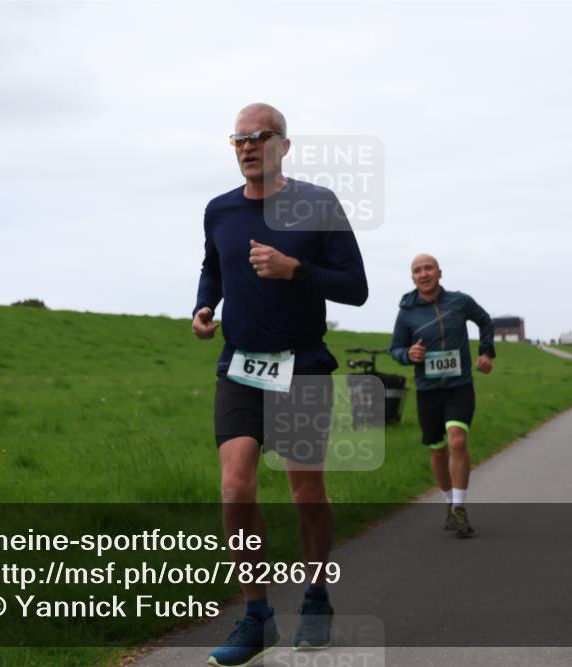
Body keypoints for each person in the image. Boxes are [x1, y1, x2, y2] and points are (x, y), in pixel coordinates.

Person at [192, 103, 368, 666]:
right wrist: (203, 305)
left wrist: (297, 270)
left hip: (302, 366)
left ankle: (316, 597)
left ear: (283, 146)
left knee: (306, 493)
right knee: (236, 487)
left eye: (259, 136)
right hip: (241, 365)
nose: (247, 146)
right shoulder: (219, 211)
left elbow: (356, 287)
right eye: (238, 138)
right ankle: (257, 614)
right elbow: (213, 267)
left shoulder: (317, 204)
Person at [389, 254, 495, 538]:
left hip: (459, 386)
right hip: (428, 391)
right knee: (437, 450)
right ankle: (449, 501)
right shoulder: (407, 311)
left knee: (457, 441)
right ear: (412, 278)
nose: (423, 274)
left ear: (439, 272)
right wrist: (408, 354)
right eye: (417, 270)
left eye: (428, 269)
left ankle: (460, 509)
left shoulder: (459, 302)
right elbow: (395, 348)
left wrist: (486, 352)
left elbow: (485, 321)